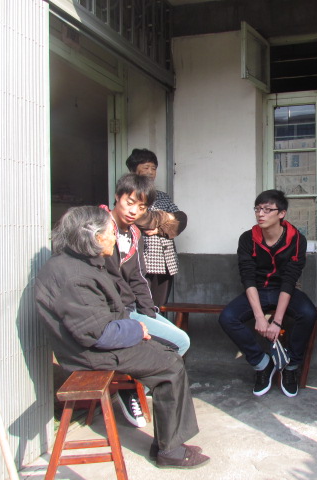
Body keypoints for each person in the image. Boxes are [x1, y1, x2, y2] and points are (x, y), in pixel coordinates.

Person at [35, 206, 209, 469]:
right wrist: (137, 329)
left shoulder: (78, 261)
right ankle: (170, 451)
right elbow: (98, 334)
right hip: (89, 352)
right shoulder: (74, 276)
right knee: (170, 365)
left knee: (168, 355)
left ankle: (166, 442)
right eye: (110, 233)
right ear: (94, 237)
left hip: (97, 340)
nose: (115, 238)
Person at [101, 173, 190, 427]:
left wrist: (149, 313)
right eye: (129, 203)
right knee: (179, 343)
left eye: (141, 208)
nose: (134, 211)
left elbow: (138, 277)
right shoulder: (100, 228)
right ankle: (130, 387)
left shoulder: (134, 234)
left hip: (129, 307)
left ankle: (132, 383)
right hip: (109, 311)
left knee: (178, 342)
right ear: (117, 197)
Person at [218, 189, 317, 398]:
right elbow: (247, 277)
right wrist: (260, 317)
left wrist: (277, 321)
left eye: (267, 209)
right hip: (258, 290)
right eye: (257, 209)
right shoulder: (248, 238)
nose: (260, 214)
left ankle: (290, 365)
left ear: (281, 214)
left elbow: (290, 279)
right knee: (227, 317)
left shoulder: (296, 239)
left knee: (308, 313)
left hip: (286, 291)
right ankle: (262, 363)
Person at [127, 148, 186, 307]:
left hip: (165, 261)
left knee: (160, 307)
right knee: (141, 307)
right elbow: (143, 219)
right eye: (146, 167)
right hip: (141, 260)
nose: (150, 172)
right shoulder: (129, 196)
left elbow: (181, 219)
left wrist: (159, 229)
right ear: (133, 170)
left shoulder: (162, 196)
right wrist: (167, 217)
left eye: (153, 168)